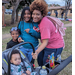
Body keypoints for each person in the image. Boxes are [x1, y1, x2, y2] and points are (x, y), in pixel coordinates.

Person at [30, 0, 64, 66]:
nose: (34, 16)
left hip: (54, 46)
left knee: (48, 65)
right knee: (40, 59)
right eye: (33, 14)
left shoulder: (44, 23)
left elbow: (45, 42)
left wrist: (36, 52)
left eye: (37, 14)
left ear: (43, 14)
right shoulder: (41, 21)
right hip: (48, 44)